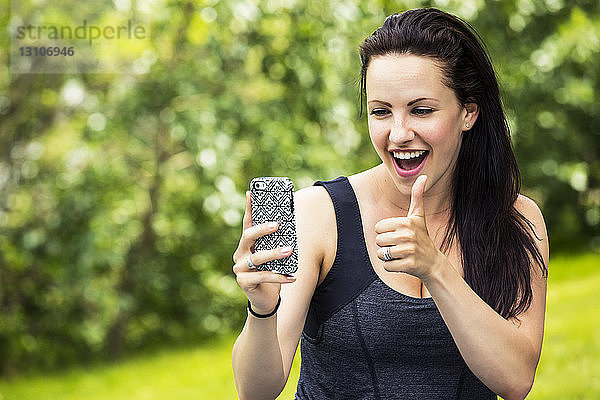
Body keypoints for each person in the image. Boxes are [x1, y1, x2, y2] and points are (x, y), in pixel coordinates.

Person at [231, 8, 548, 400]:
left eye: (422, 110)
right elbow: (255, 392)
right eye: (381, 111)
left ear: (468, 112)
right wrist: (262, 309)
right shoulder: (319, 214)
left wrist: (435, 269)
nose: (398, 134)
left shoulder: (516, 219)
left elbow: (516, 380)